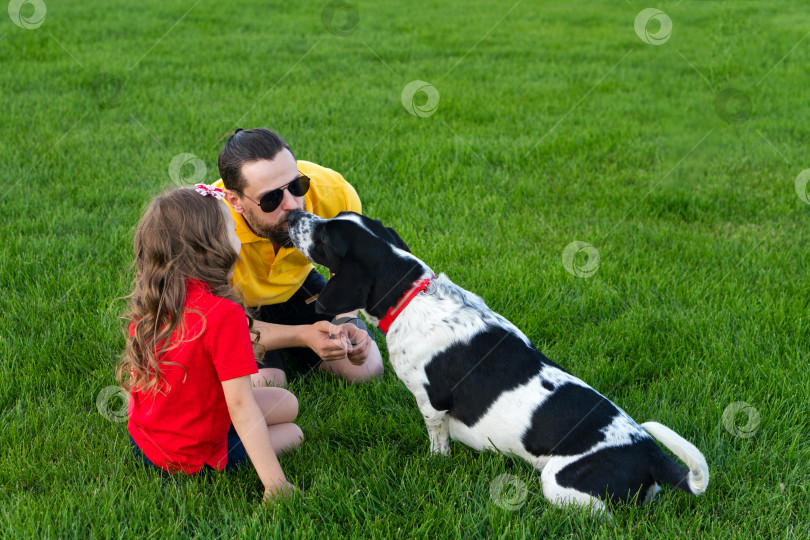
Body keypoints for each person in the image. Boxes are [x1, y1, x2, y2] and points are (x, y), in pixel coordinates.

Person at [118, 185, 307, 500]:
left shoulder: (155, 300)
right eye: (232, 229)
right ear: (212, 245)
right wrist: (276, 484)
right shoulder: (223, 314)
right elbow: (241, 406)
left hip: (147, 442)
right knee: (293, 433)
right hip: (191, 456)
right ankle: (259, 475)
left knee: (287, 402)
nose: (237, 237)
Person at [212, 128, 384, 388]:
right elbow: (216, 325)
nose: (292, 203)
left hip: (296, 286)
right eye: (271, 199)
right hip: (236, 306)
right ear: (235, 201)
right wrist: (303, 335)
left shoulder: (333, 191)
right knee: (266, 384)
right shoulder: (208, 223)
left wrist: (346, 318)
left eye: (296, 185)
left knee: (366, 369)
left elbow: (349, 264)